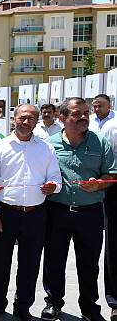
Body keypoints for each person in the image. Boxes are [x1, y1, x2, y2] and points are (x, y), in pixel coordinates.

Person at [41, 97, 117, 321]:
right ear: (62, 118)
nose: (83, 117)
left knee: (89, 263)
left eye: (86, 113)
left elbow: (111, 173)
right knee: (54, 260)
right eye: (77, 114)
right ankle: (53, 303)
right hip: (57, 211)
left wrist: (100, 183)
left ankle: (89, 307)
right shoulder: (49, 145)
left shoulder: (100, 142)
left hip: (90, 213)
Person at [0, 104, 63, 321]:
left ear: (36, 121)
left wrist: (53, 187)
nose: (26, 122)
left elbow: (57, 179)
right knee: (0, 263)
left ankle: (23, 307)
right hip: (6, 213)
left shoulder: (46, 148)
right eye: (22, 118)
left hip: (36, 214)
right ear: (14, 118)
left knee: (30, 264)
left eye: (31, 119)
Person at [100, 117, 117, 320]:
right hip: (115, 189)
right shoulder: (112, 127)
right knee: (114, 247)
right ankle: (115, 301)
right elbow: (107, 165)